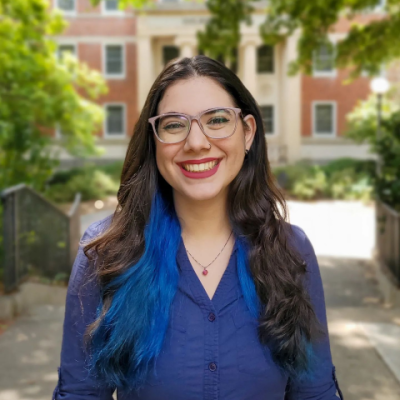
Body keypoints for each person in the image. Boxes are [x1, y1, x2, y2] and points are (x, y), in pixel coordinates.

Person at [52, 55, 344, 400]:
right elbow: (80, 394)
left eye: (217, 120)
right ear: (154, 139)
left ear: (248, 132)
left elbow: (316, 392)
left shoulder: (291, 251)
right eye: (174, 124)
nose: (196, 142)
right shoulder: (106, 253)